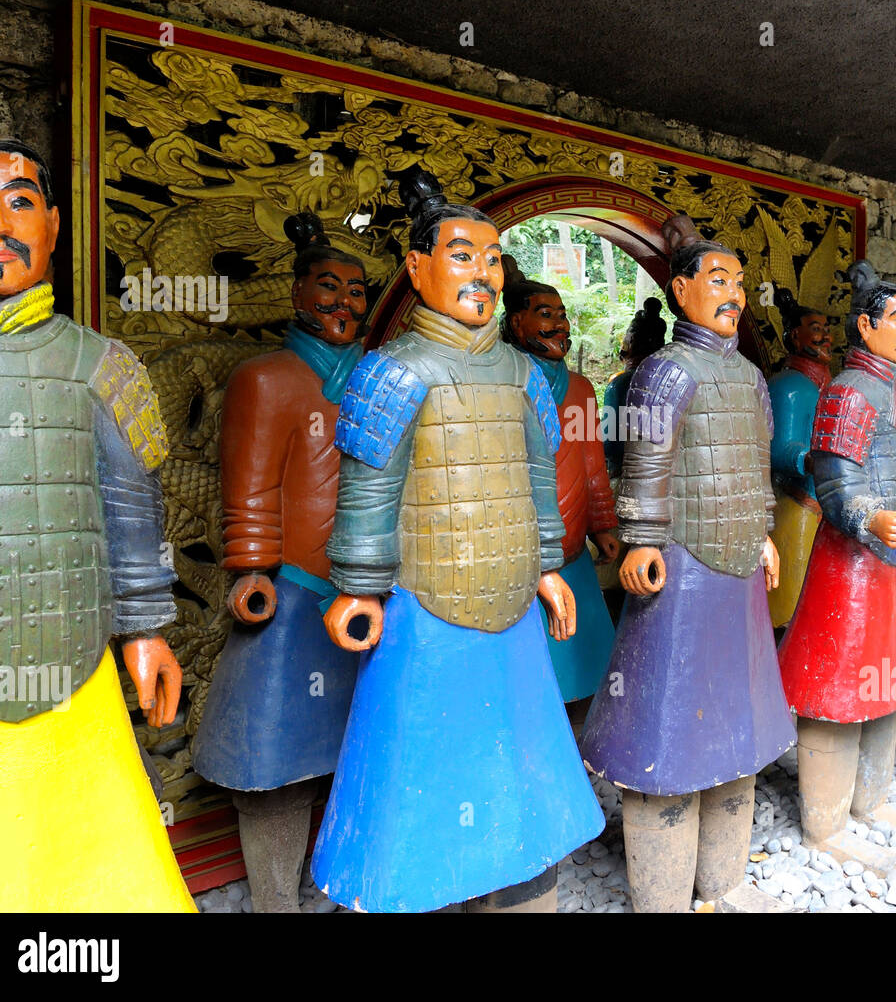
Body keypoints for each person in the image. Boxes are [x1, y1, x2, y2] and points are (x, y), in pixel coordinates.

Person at [311, 167, 603, 913]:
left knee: (517, 757)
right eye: (462, 255)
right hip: (422, 609)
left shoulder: (523, 375)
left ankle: (518, 872)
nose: (481, 273)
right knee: (423, 771)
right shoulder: (392, 371)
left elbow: (540, 476)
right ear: (417, 269)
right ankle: (427, 884)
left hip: (511, 604)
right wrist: (359, 587)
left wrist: (547, 565)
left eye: (492, 258)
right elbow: (369, 492)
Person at [0, 136, 193, 911]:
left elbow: (132, 512)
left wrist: (145, 630)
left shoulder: (99, 364)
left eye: (18, 201)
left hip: (74, 667)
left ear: (55, 227)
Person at [580, 222, 795, 912]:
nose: (731, 294)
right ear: (679, 291)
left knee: (740, 714)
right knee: (665, 720)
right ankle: (664, 893)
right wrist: (642, 537)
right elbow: (647, 462)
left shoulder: (752, 377)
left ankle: (725, 879)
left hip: (736, 566)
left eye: (737, 283)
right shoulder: (663, 372)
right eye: (716, 281)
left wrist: (764, 529)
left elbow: (754, 464)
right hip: (682, 565)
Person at [192, 212, 366, 911]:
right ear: (297, 295)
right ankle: (274, 899)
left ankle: (354, 878)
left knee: (369, 741)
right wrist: (253, 572)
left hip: (374, 591)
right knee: (276, 760)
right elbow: (253, 485)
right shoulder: (268, 380)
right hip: (293, 593)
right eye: (329, 288)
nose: (344, 304)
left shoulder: (381, 381)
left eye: (357, 292)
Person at [777, 261, 896, 871]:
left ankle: (871, 803)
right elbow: (833, 477)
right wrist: (871, 519)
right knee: (836, 688)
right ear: (865, 326)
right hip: (849, 570)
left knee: (890, 684)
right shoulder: (845, 390)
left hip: (894, 567)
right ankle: (824, 822)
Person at [501, 255, 619, 710]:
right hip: (514, 553)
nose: (559, 325)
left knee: (585, 662)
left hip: (572, 552)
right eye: (545, 314)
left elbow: (592, 466)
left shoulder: (581, 389)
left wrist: (603, 523)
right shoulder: (501, 381)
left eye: (562, 315)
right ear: (515, 322)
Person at [766, 287, 834, 631]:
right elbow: (776, 449)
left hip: (832, 502)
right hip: (799, 503)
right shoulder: (788, 387)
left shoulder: (831, 386)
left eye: (826, 328)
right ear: (795, 337)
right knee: (792, 607)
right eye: (816, 328)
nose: (825, 336)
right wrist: (805, 459)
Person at [602, 296, 667, 477]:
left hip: (627, 472)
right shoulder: (669, 379)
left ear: (630, 342)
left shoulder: (621, 385)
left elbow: (610, 440)